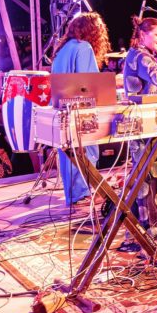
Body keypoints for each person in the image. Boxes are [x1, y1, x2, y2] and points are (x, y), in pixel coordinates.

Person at [50, 11, 110, 209]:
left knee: (69, 154)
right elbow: (88, 83)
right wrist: (113, 84)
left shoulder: (64, 48)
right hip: (80, 110)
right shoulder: (83, 47)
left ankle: (74, 194)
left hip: (63, 109)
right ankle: (82, 195)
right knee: (86, 151)